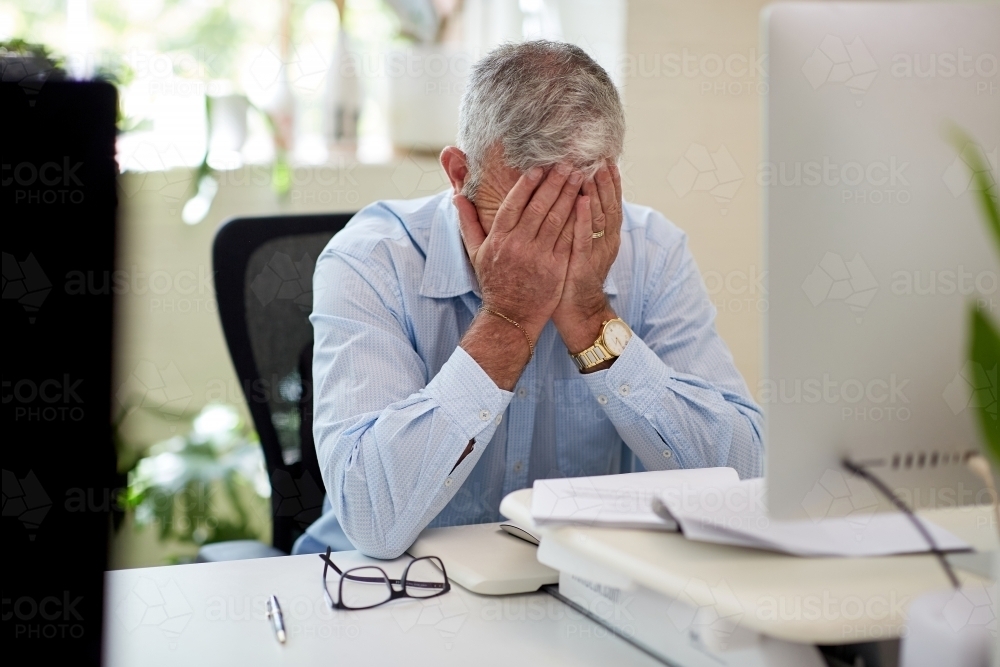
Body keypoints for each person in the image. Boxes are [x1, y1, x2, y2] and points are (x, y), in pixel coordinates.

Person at [294, 40, 763, 558]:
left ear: (610, 181)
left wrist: (591, 320)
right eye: (524, 219)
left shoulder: (653, 253)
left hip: (572, 588)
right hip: (383, 587)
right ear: (459, 175)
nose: (549, 249)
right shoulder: (372, 260)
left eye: (576, 210)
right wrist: (507, 318)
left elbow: (746, 486)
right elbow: (370, 517)